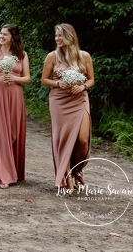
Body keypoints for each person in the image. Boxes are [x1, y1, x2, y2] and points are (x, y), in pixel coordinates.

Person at [41, 23, 94, 190]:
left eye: (60, 35)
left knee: (83, 139)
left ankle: (77, 170)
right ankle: (67, 175)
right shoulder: (52, 57)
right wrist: (58, 83)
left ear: (70, 37)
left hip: (79, 99)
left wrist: (83, 86)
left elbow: (91, 79)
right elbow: (44, 80)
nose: (57, 38)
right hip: (59, 101)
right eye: (56, 35)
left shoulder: (84, 56)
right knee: (62, 140)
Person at [0, 23, 30, 189]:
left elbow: (27, 78)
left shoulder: (21, 55)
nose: (1, 37)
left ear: (13, 37)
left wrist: (14, 78)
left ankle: (15, 170)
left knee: (14, 133)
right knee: (1, 133)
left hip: (15, 95)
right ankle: (4, 175)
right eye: (0, 34)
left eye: (5, 35)